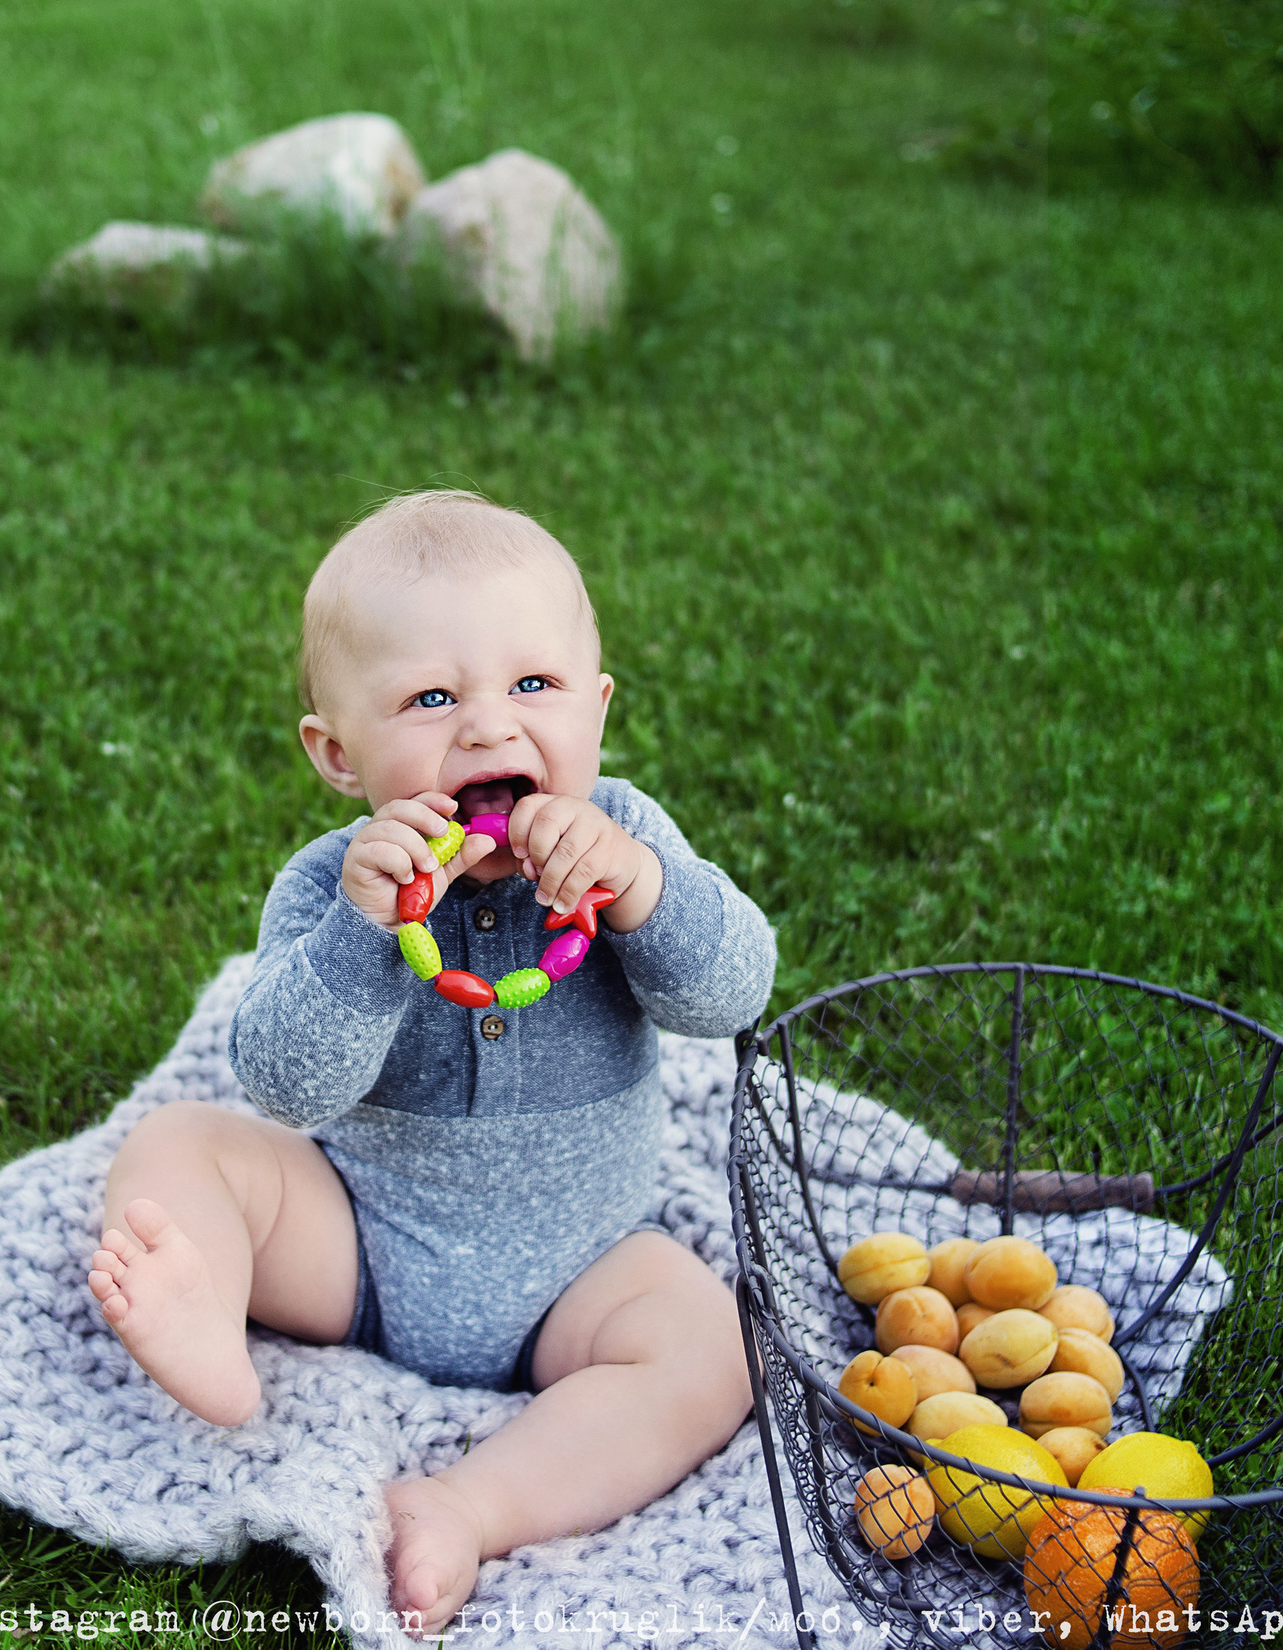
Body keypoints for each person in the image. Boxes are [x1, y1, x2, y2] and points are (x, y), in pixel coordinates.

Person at [86, 489, 776, 1638]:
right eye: (431, 698)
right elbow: (285, 1083)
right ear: (337, 753)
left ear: (597, 709)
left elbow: (734, 994)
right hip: (359, 1247)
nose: (490, 730)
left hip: (584, 1267)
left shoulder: (623, 836)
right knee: (180, 1143)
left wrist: (644, 890)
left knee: (712, 1352)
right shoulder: (330, 886)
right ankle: (208, 1320)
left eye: (533, 687)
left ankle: (467, 1505)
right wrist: (363, 937)